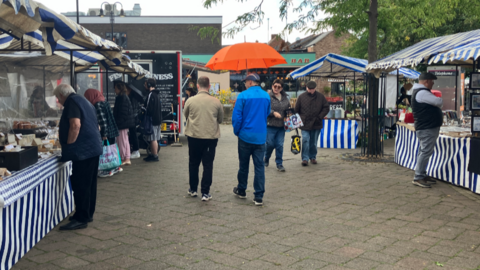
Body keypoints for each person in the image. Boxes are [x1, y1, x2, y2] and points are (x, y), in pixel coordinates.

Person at [54, 84, 102, 230]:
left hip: (83, 151)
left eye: (57, 98)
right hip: (93, 148)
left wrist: (69, 146)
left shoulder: (72, 102)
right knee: (90, 184)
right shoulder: (84, 100)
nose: (58, 101)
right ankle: (87, 214)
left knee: (81, 184)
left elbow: (75, 125)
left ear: (62, 95)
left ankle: (81, 218)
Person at [232, 73, 271, 206]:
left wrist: (237, 131)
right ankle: (258, 196)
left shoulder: (243, 96)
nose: (244, 84)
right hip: (260, 136)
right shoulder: (266, 96)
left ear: (250, 82)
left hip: (245, 135)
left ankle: (242, 190)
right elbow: (267, 113)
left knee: (243, 165)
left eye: (245, 81)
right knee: (259, 166)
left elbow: (237, 117)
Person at [184, 76, 224, 201]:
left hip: (194, 135)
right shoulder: (216, 102)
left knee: (193, 163)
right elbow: (221, 119)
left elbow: (186, 115)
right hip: (210, 137)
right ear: (209, 86)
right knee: (208, 164)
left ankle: (193, 189)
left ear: (197, 86)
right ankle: (205, 192)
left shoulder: (190, 101)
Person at [411, 72, 443, 188]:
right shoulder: (422, 93)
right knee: (425, 151)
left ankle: (422, 174)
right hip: (427, 127)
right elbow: (439, 102)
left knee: (423, 150)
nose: (433, 83)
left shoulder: (419, 92)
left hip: (426, 126)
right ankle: (419, 176)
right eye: (432, 81)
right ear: (426, 81)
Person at [84, 89, 121, 178]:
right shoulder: (104, 101)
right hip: (111, 130)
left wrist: (104, 134)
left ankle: (106, 170)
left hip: (106, 132)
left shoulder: (97, 104)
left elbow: (102, 120)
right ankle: (114, 167)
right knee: (111, 150)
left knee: (105, 152)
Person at [295, 81, 330, 166]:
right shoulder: (301, 97)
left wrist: (320, 116)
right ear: (306, 88)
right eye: (309, 89)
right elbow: (296, 110)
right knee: (305, 140)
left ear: (315, 88)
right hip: (305, 123)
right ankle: (305, 158)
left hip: (316, 122)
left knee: (314, 142)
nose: (311, 91)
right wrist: (299, 121)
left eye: (313, 89)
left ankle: (313, 157)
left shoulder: (320, 97)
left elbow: (326, 107)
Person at [265, 79, 290, 172]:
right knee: (270, 144)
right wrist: (273, 113)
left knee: (279, 145)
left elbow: (288, 109)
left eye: (278, 87)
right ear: (272, 86)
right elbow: (264, 109)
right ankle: (266, 158)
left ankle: (279, 163)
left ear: (281, 88)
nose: (276, 88)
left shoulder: (285, 98)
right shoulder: (268, 97)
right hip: (270, 125)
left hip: (281, 126)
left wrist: (290, 114)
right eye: (275, 86)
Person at [113, 82, 135, 166]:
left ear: (119, 89)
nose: (115, 90)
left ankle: (123, 158)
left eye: (116, 88)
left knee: (121, 141)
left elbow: (122, 112)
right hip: (125, 123)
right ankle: (127, 158)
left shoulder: (121, 98)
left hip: (122, 124)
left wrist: (118, 122)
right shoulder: (124, 97)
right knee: (125, 141)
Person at [143, 78, 162, 162]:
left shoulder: (151, 95)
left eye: (145, 84)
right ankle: (154, 154)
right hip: (158, 119)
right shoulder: (157, 94)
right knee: (156, 138)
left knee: (153, 138)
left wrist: (143, 110)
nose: (144, 86)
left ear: (149, 85)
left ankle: (154, 155)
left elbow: (148, 108)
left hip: (152, 120)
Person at [126, 84, 143, 159]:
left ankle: (136, 150)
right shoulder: (133, 98)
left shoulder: (131, 98)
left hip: (133, 119)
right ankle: (134, 150)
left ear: (129, 90)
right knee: (133, 134)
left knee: (133, 134)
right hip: (134, 118)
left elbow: (132, 110)